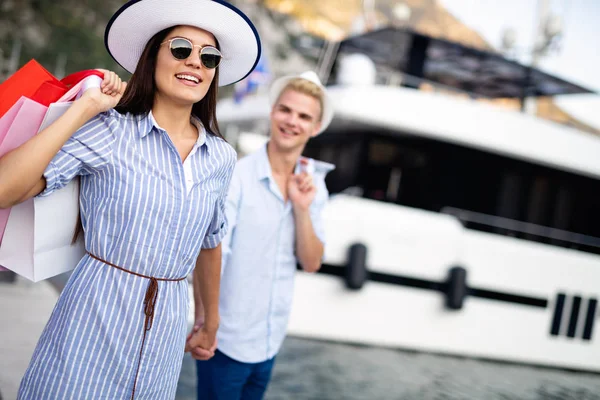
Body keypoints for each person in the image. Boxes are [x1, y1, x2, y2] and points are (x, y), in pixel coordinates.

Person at [0, 0, 261, 398]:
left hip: (166, 333)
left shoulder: (221, 157)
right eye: (180, 49)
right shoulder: (110, 131)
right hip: (92, 320)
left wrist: (210, 319)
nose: (195, 62)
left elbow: (210, 242)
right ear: (151, 57)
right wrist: (85, 108)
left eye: (209, 57)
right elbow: (5, 190)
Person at [190, 71, 335, 399]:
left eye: (304, 116)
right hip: (225, 340)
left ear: (315, 127)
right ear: (272, 112)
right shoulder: (237, 177)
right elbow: (212, 253)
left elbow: (311, 262)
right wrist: (205, 322)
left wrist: (302, 207)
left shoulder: (314, 185)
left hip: (270, 342)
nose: (292, 121)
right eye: (286, 110)